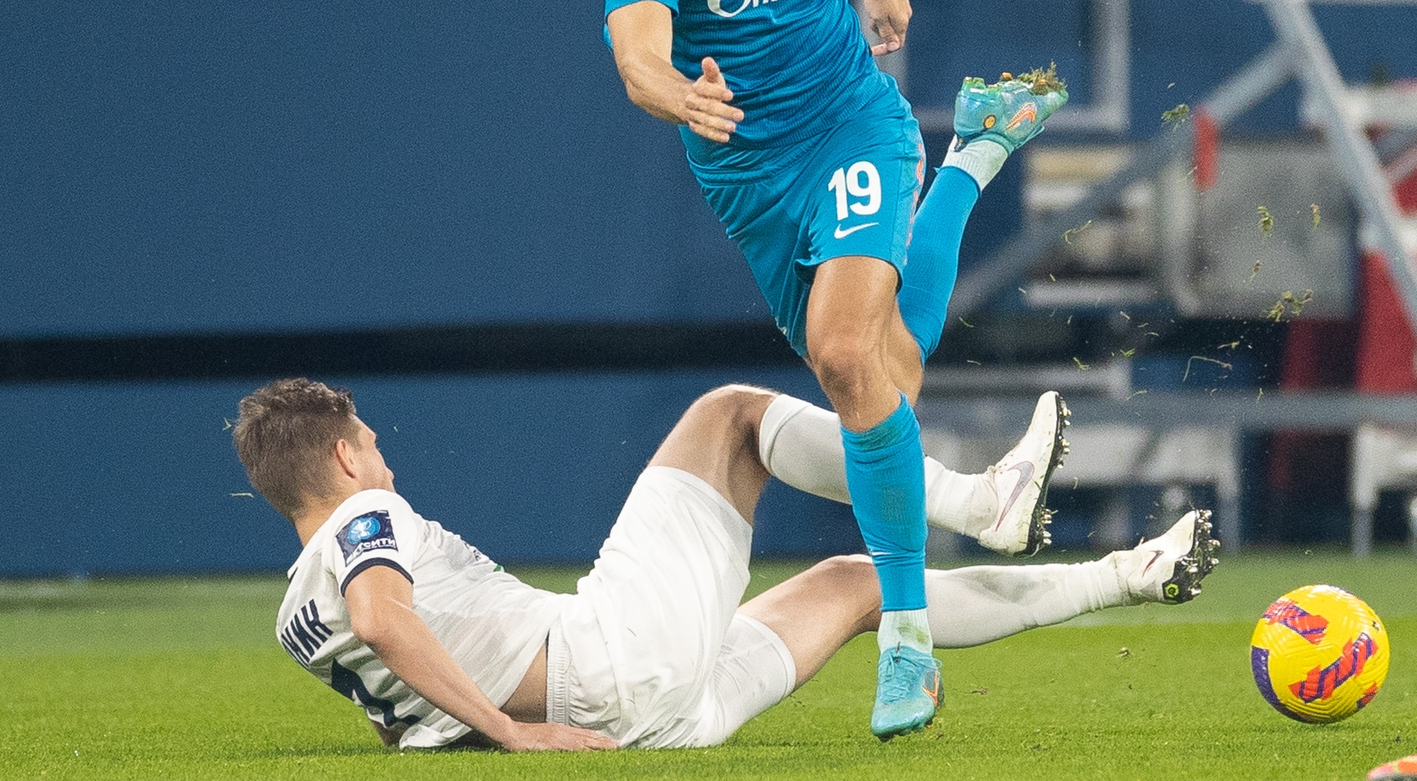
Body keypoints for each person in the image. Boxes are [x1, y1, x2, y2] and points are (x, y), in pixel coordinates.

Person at [600, 0, 1070, 736]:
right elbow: (636, 54)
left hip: (852, 118)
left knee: (845, 353)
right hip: (748, 169)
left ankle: (906, 642)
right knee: (887, 374)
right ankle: (975, 156)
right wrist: (678, 93)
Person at [232, 376, 1218, 752]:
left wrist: (486, 729)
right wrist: (510, 732)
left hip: (652, 722)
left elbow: (394, 705)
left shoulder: (292, 620)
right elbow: (385, 621)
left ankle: (1127, 574)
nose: (384, 461)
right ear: (343, 458)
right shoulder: (364, 515)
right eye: (372, 445)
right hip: (608, 661)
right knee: (731, 416)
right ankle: (977, 502)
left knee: (860, 584)